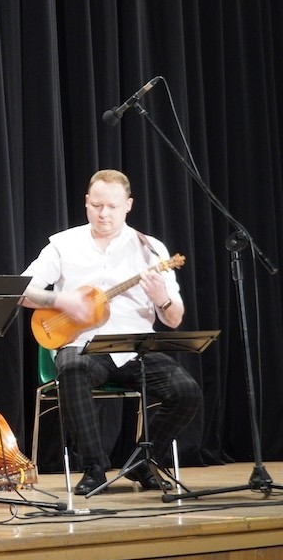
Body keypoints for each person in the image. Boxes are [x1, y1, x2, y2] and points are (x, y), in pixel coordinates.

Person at [20, 169, 202, 495]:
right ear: (87, 203)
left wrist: (161, 297)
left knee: (186, 391)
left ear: (128, 205)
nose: (104, 214)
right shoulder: (63, 244)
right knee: (72, 367)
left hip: (135, 349)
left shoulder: (151, 250)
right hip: (83, 346)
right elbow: (21, 292)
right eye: (97, 205)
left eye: (113, 207)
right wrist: (61, 298)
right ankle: (94, 468)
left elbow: (174, 320)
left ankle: (144, 461)